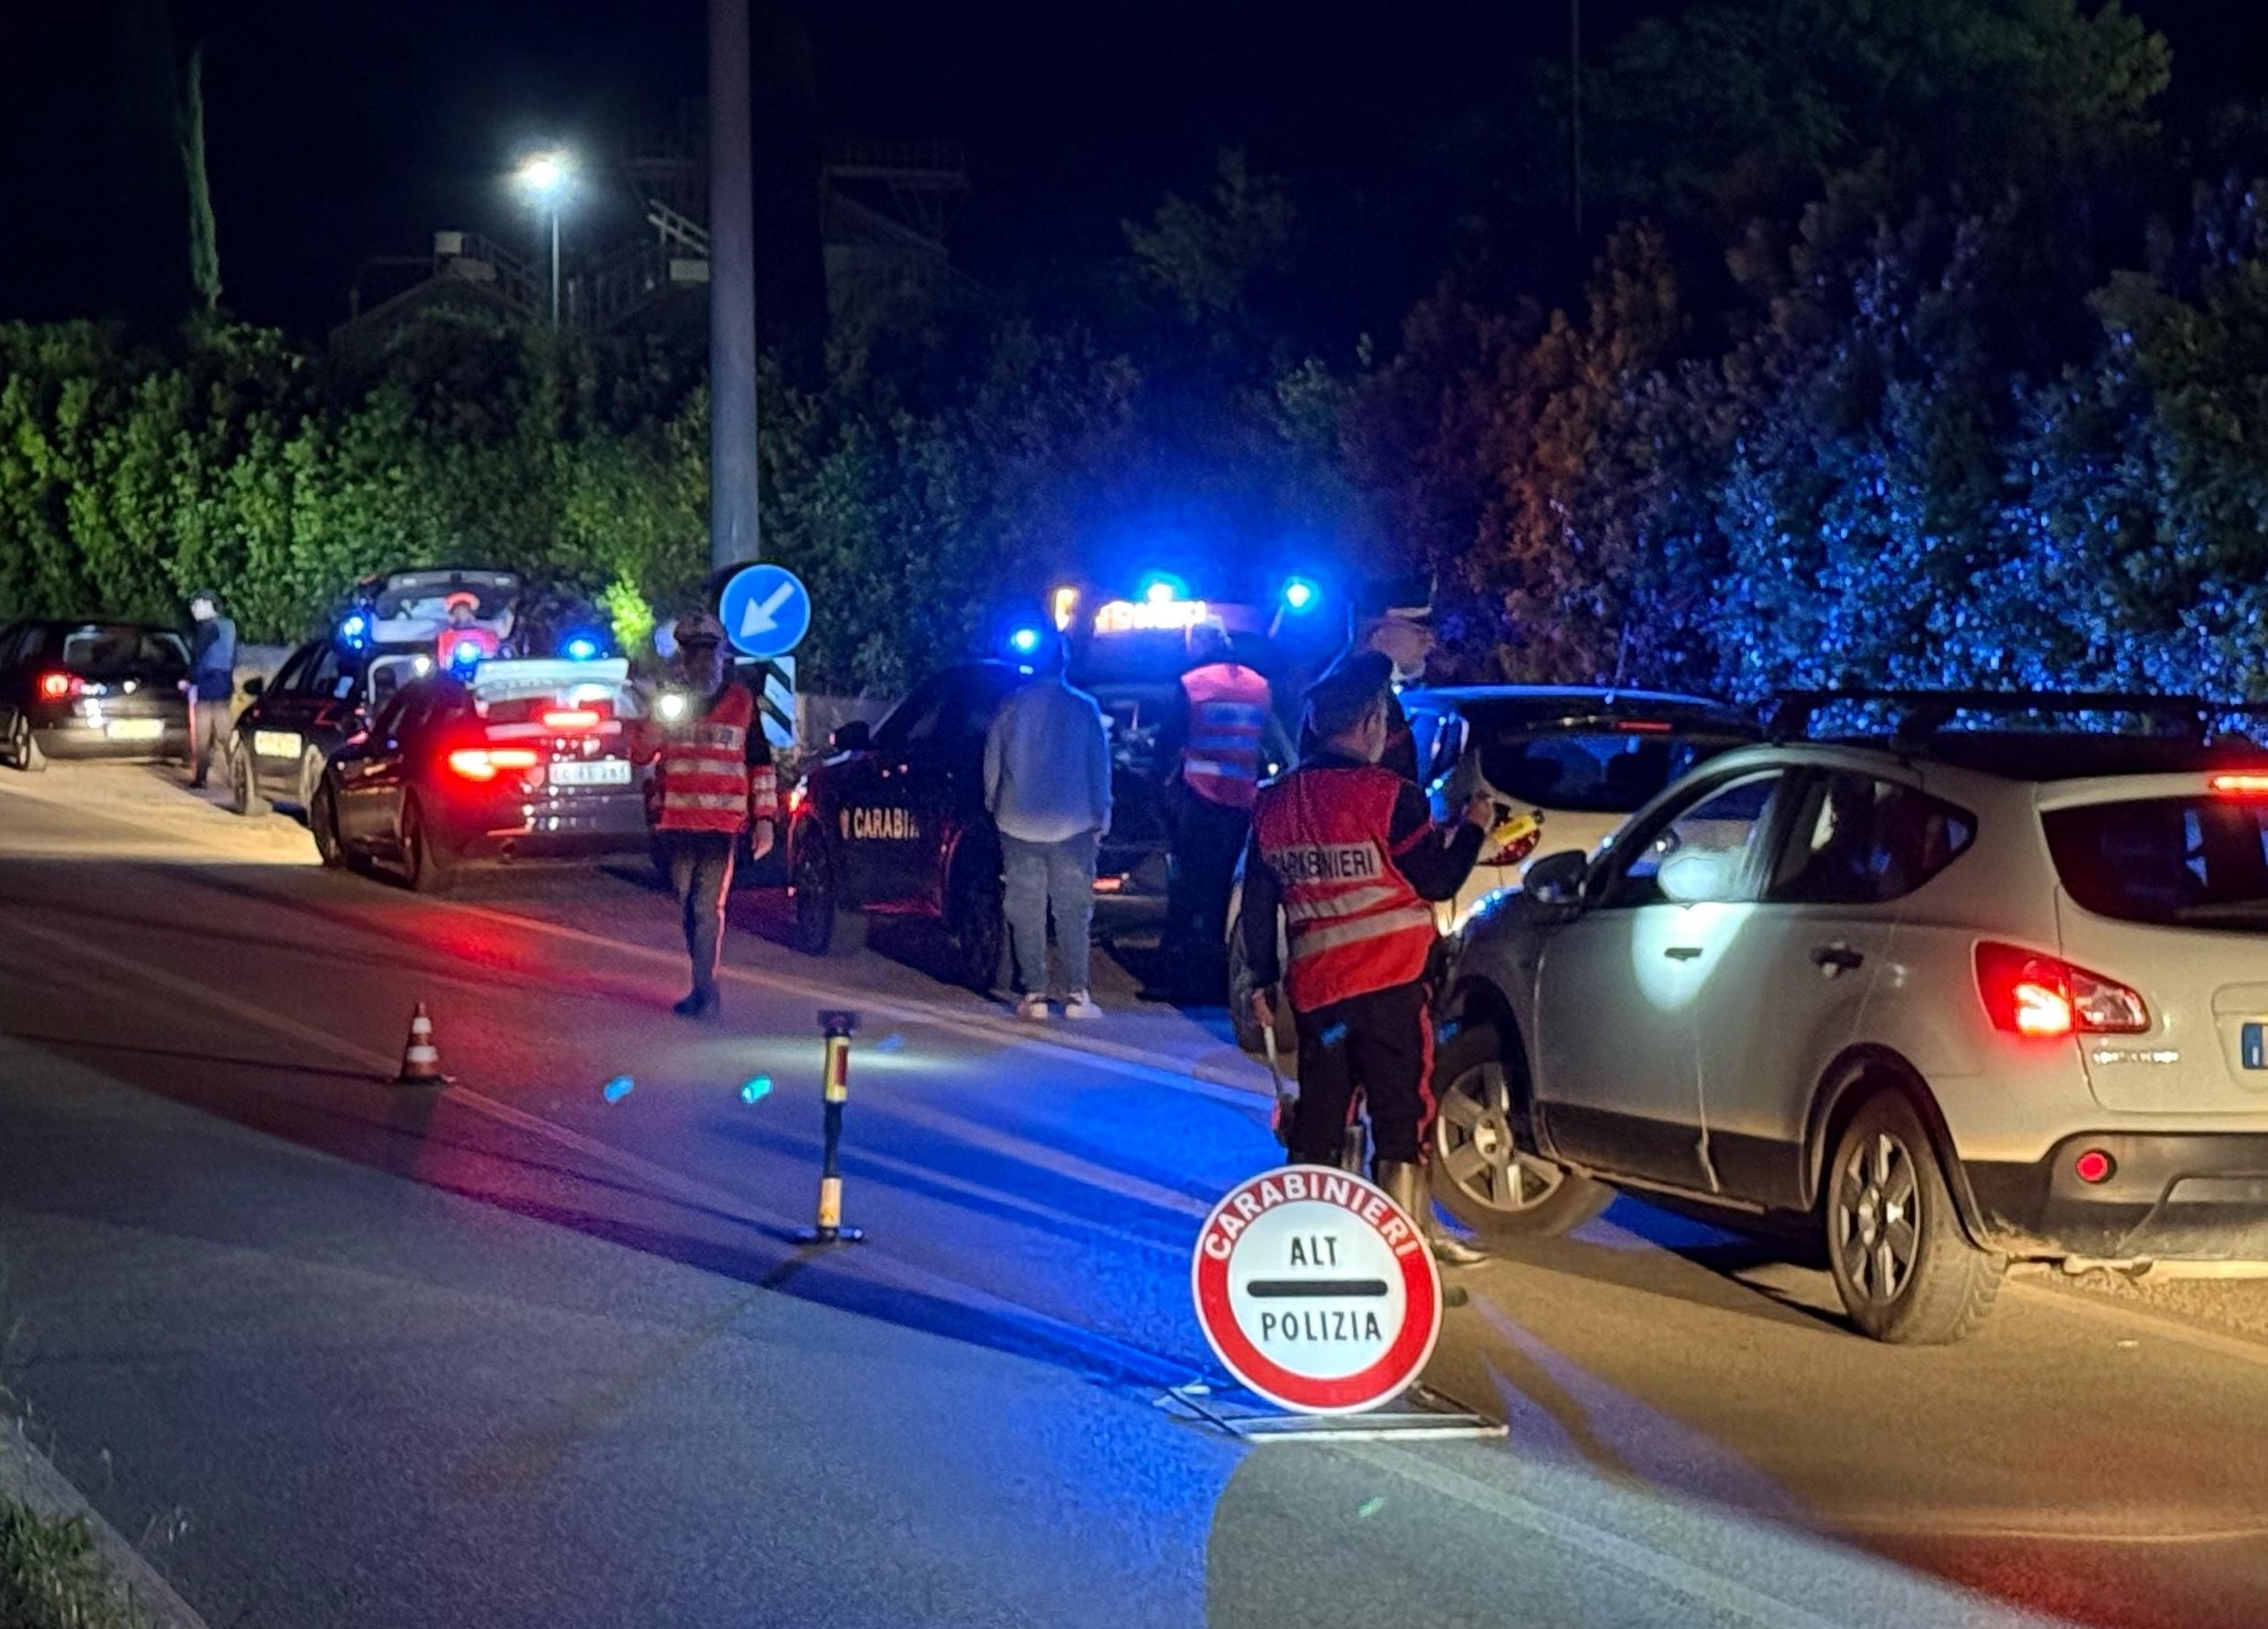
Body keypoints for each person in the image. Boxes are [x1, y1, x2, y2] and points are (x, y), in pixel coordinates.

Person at [1238, 652, 1492, 1266]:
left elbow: (1258, 902)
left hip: (1319, 997)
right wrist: (1474, 829)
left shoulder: (1275, 802)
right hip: (1390, 990)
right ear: (1373, 722)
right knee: (1402, 1111)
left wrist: (1261, 981)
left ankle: (1312, 1236)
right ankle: (1404, 1244)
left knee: (1324, 1110)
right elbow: (1437, 880)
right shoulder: (1391, 798)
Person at [631, 611, 777, 1019]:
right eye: (692, 652)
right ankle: (701, 986)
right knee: (687, 905)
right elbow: (640, 754)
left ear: (721, 656)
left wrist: (765, 820)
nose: (701, 660)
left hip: (721, 824)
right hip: (677, 822)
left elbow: (760, 763)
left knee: (705, 907)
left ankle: (706, 992)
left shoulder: (741, 702)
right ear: (682, 657)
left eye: (708, 651)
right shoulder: (669, 702)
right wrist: (655, 722)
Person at [1152, 619, 1293, 996]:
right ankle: (1218, 975)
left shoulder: (1194, 683)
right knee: (1225, 890)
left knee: (1187, 886)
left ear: (1197, 644)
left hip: (1199, 798)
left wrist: (1161, 788)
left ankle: (1175, 976)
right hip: (1243, 800)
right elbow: (1274, 745)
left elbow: (1168, 741)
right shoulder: (1259, 686)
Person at [983, 632, 1112, 1020]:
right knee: (1073, 911)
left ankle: (1034, 993)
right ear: (1064, 663)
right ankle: (1077, 995)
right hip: (1074, 822)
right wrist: (1101, 812)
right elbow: (1099, 766)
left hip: (1018, 821)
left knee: (1026, 911)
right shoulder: (1084, 708)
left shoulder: (1010, 705)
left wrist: (994, 805)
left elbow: (992, 763)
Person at [1298, 575, 1436, 782]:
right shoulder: (1352, 699)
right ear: (1380, 634)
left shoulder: (1345, 690)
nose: (1430, 642)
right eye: (1419, 631)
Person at [180, 589, 236, 790]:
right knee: (224, 732)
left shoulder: (207, 628)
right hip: (224, 683)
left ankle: (201, 777)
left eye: (197, 605)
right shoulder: (229, 626)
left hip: (206, 682)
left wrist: (188, 679)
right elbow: (233, 656)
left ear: (208, 604)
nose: (193, 610)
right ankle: (237, 774)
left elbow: (197, 655)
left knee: (202, 733)